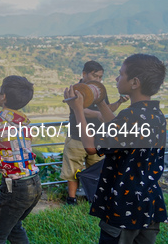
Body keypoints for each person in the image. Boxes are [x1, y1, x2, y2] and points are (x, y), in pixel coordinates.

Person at [64, 53, 167, 244]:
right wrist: (101, 101)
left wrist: (77, 109)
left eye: (121, 74)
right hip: (148, 203)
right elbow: (119, 130)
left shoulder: (130, 117)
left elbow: (91, 147)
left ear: (135, 82)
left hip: (124, 206)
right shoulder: (154, 114)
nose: (116, 78)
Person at [0, 75, 41, 244]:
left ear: (3, 96)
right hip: (34, 184)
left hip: (15, 188)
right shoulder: (25, 124)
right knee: (14, 227)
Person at [61, 60, 128, 205]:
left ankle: (93, 197)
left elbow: (106, 109)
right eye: (95, 76)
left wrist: (119, 102)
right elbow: (80, 109)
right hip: (77, 136)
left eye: (100, 77)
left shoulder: (100, 91)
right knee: (73, 170)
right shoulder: (75, 90)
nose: (98, 80)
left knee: (96, 171)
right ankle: (71, 199)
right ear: (84, 74)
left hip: (97, 138)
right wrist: (97, 115)